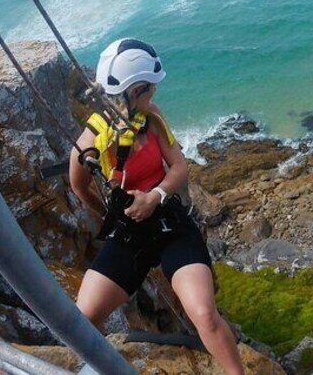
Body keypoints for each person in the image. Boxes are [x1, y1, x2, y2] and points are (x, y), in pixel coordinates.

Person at [68, 38, 244, 375]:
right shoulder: (91, 138)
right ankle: (103, 366)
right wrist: (109, 214)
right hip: (129, 231)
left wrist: (154, 197)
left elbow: (179, 168)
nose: (155, 96)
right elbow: (78, 184)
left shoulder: (152, 118)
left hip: (166, 219)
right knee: (85, 315)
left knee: (204, 314)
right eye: (150, 89)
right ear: (134, 91)